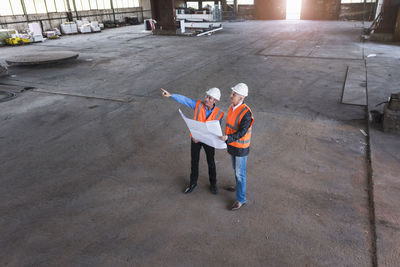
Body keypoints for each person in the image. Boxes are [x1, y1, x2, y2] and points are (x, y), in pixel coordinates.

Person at [161, 87, 224, 194]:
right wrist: (171, 95)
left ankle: (213, 184)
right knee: (194, 162)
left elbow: (216, 130)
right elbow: (185, 100)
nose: (206, 99)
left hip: (209, 141)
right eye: (206, 96)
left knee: (211, 162)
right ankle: (193, 183)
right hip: (196, 139)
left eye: (210, 98)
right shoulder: (198, 105)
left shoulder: (219, 114)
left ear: (215, 101)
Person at [219, 83, 254, 210]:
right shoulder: (232, 107)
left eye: (234, 94)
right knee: (236, 169)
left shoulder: (246, 113)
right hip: (232, 146)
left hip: (240, 148)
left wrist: (228, 138)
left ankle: (241, 199)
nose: (231, 95)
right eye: (232, 93)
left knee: (240, 174)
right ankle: (238, 186)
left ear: (241, 98)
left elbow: (242, 132)